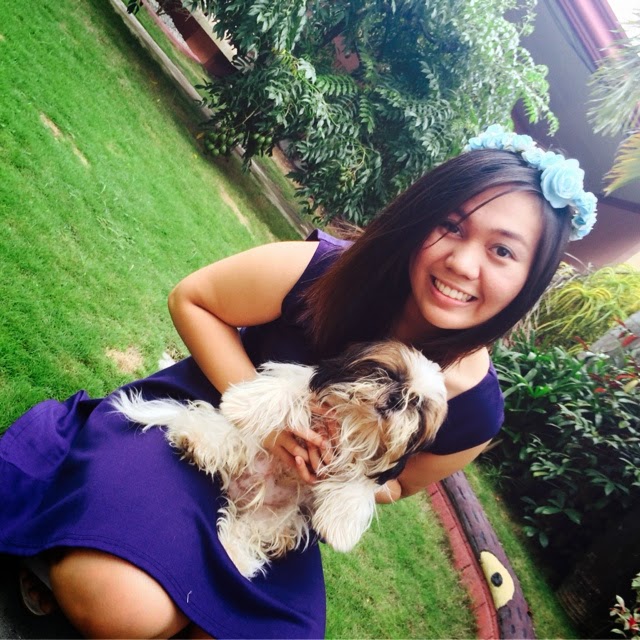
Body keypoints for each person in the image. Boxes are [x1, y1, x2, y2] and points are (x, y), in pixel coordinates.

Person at [0, 125, 597, 639]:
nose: (463, 264)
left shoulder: (475, 414)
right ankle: (84, 532)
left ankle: (142, 572)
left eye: (502, 251)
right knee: (123, 609)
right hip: (196, 428)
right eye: (452, 226)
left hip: (281, 508)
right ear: (422, 219)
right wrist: (268, 419)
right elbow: (193, 299)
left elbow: (396, 486)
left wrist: (339, 476)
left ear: (531, 277)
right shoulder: (326, 272)